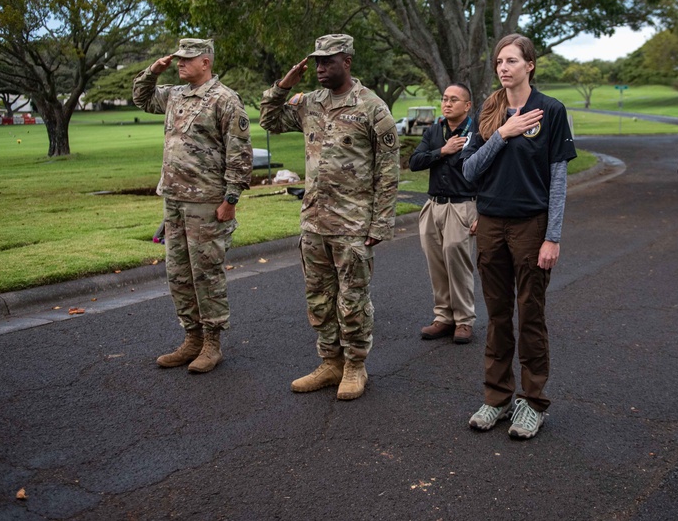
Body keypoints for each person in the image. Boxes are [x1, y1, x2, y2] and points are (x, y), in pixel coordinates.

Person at [259, 34, 399, 401]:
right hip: (314, 221)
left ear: (347, 61)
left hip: (353, 224)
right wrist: (284, 84)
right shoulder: (309, 103)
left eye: (328, 61)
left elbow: (388, 172)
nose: (320, 67)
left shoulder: (372, 108)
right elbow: (269, 120)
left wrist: (380, 223)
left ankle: (355, 365)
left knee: (351, 300)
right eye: (316, 61)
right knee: (318, 299)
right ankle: (330, 362)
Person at [461, 33, 577, 440]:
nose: (503, 68)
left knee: (530, 313)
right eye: (498, 62)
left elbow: (558, 180)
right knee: (496, 316)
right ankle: (497, 398)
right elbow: (469, 171)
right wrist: (503, 133)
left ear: (530, 65)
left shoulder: (551, 111)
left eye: (511, 61)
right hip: (491, 223)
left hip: (532, 225)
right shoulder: (490, 110)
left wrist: (553, 236)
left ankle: (533, 402)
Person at [133, 38, 253, 373]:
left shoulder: (225, 99)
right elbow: (141, 98)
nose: (179, 64)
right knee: (178, 273)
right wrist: (152, 71)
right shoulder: (174, 94)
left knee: (206, 273)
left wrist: (231, 199)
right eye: (177, 60)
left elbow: (240, 153)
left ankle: (212, 344)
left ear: (205, 62)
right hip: (174, 199)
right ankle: (191, 338)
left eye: (187, 60)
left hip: (207, 201)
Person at [409, 83, 479, 345]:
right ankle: (443, 317)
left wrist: (480, 212)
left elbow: (487, 172)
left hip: (462, 206)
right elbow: (414, 162)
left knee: (458, 262)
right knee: (436, 263)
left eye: (454, 99)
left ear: (467, 105)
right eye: (444, 99)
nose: (447, 103)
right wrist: (443, 151)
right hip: (433, 206)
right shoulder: (434, 131)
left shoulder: (477, 132)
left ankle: (463, 320)